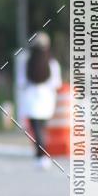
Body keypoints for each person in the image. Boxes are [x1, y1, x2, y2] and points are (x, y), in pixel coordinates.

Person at [18, 32, 61, 169]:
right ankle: (42, 155)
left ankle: (40, 155)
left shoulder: (26, 61)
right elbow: (56, 83)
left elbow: (21, 82)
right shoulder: (52, 62)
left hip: (31, 97)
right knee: (42, 129)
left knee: (36, 129)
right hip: (47, 97)